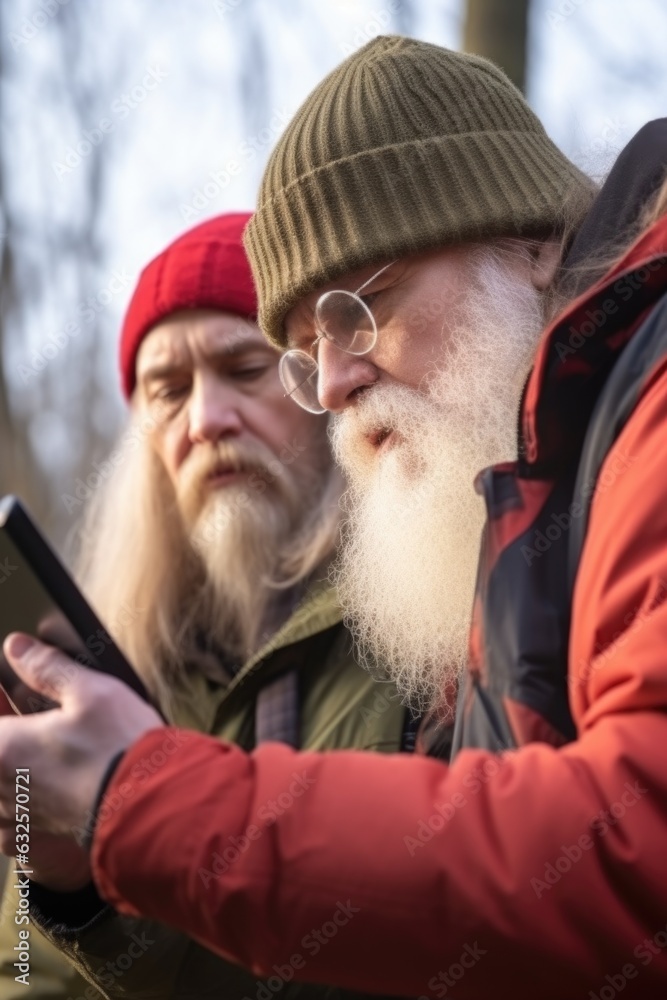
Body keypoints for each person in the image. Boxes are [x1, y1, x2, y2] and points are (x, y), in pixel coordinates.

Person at [5, 37, 667, 999]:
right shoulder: (508, 507)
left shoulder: (643, 399)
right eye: (305, 347)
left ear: (528, 240)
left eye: (365, 304)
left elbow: (630, 852)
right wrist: (79, 882)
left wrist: (139, 796)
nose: (337, 379)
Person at [0, 212, 411, 1000]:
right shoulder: (106, 677)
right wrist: (65, 888)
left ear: (317, 380)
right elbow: (25, 971)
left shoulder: (430, 626)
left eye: (245, 368)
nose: (205, 419)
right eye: (168, 390)